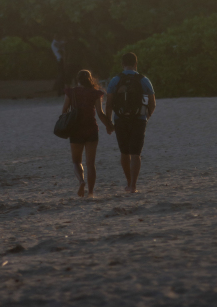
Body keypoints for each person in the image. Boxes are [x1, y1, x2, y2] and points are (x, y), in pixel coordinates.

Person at [105, 52, 155, 193]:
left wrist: (109, 123)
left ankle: (128, 182)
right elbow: (152, 104)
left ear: (122, 64)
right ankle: (133, 185)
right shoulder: (144, 80)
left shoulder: (115, 80)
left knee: (124, 152)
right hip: (139, 119)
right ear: (136, 64)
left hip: (120, 119)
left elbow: (109, 104)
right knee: (136, 153)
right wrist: (146, 117)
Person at [61, 70, 113, 198]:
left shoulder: (71, 92)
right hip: (91, 129)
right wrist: (109, 125)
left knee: (76, 161)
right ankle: (90, 193)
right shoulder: (95, 93)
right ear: (90, 79)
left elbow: (64, 111)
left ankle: (81, 181)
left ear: (77, 80)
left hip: (75, 130)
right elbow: (100, 113)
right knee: (90, 164)